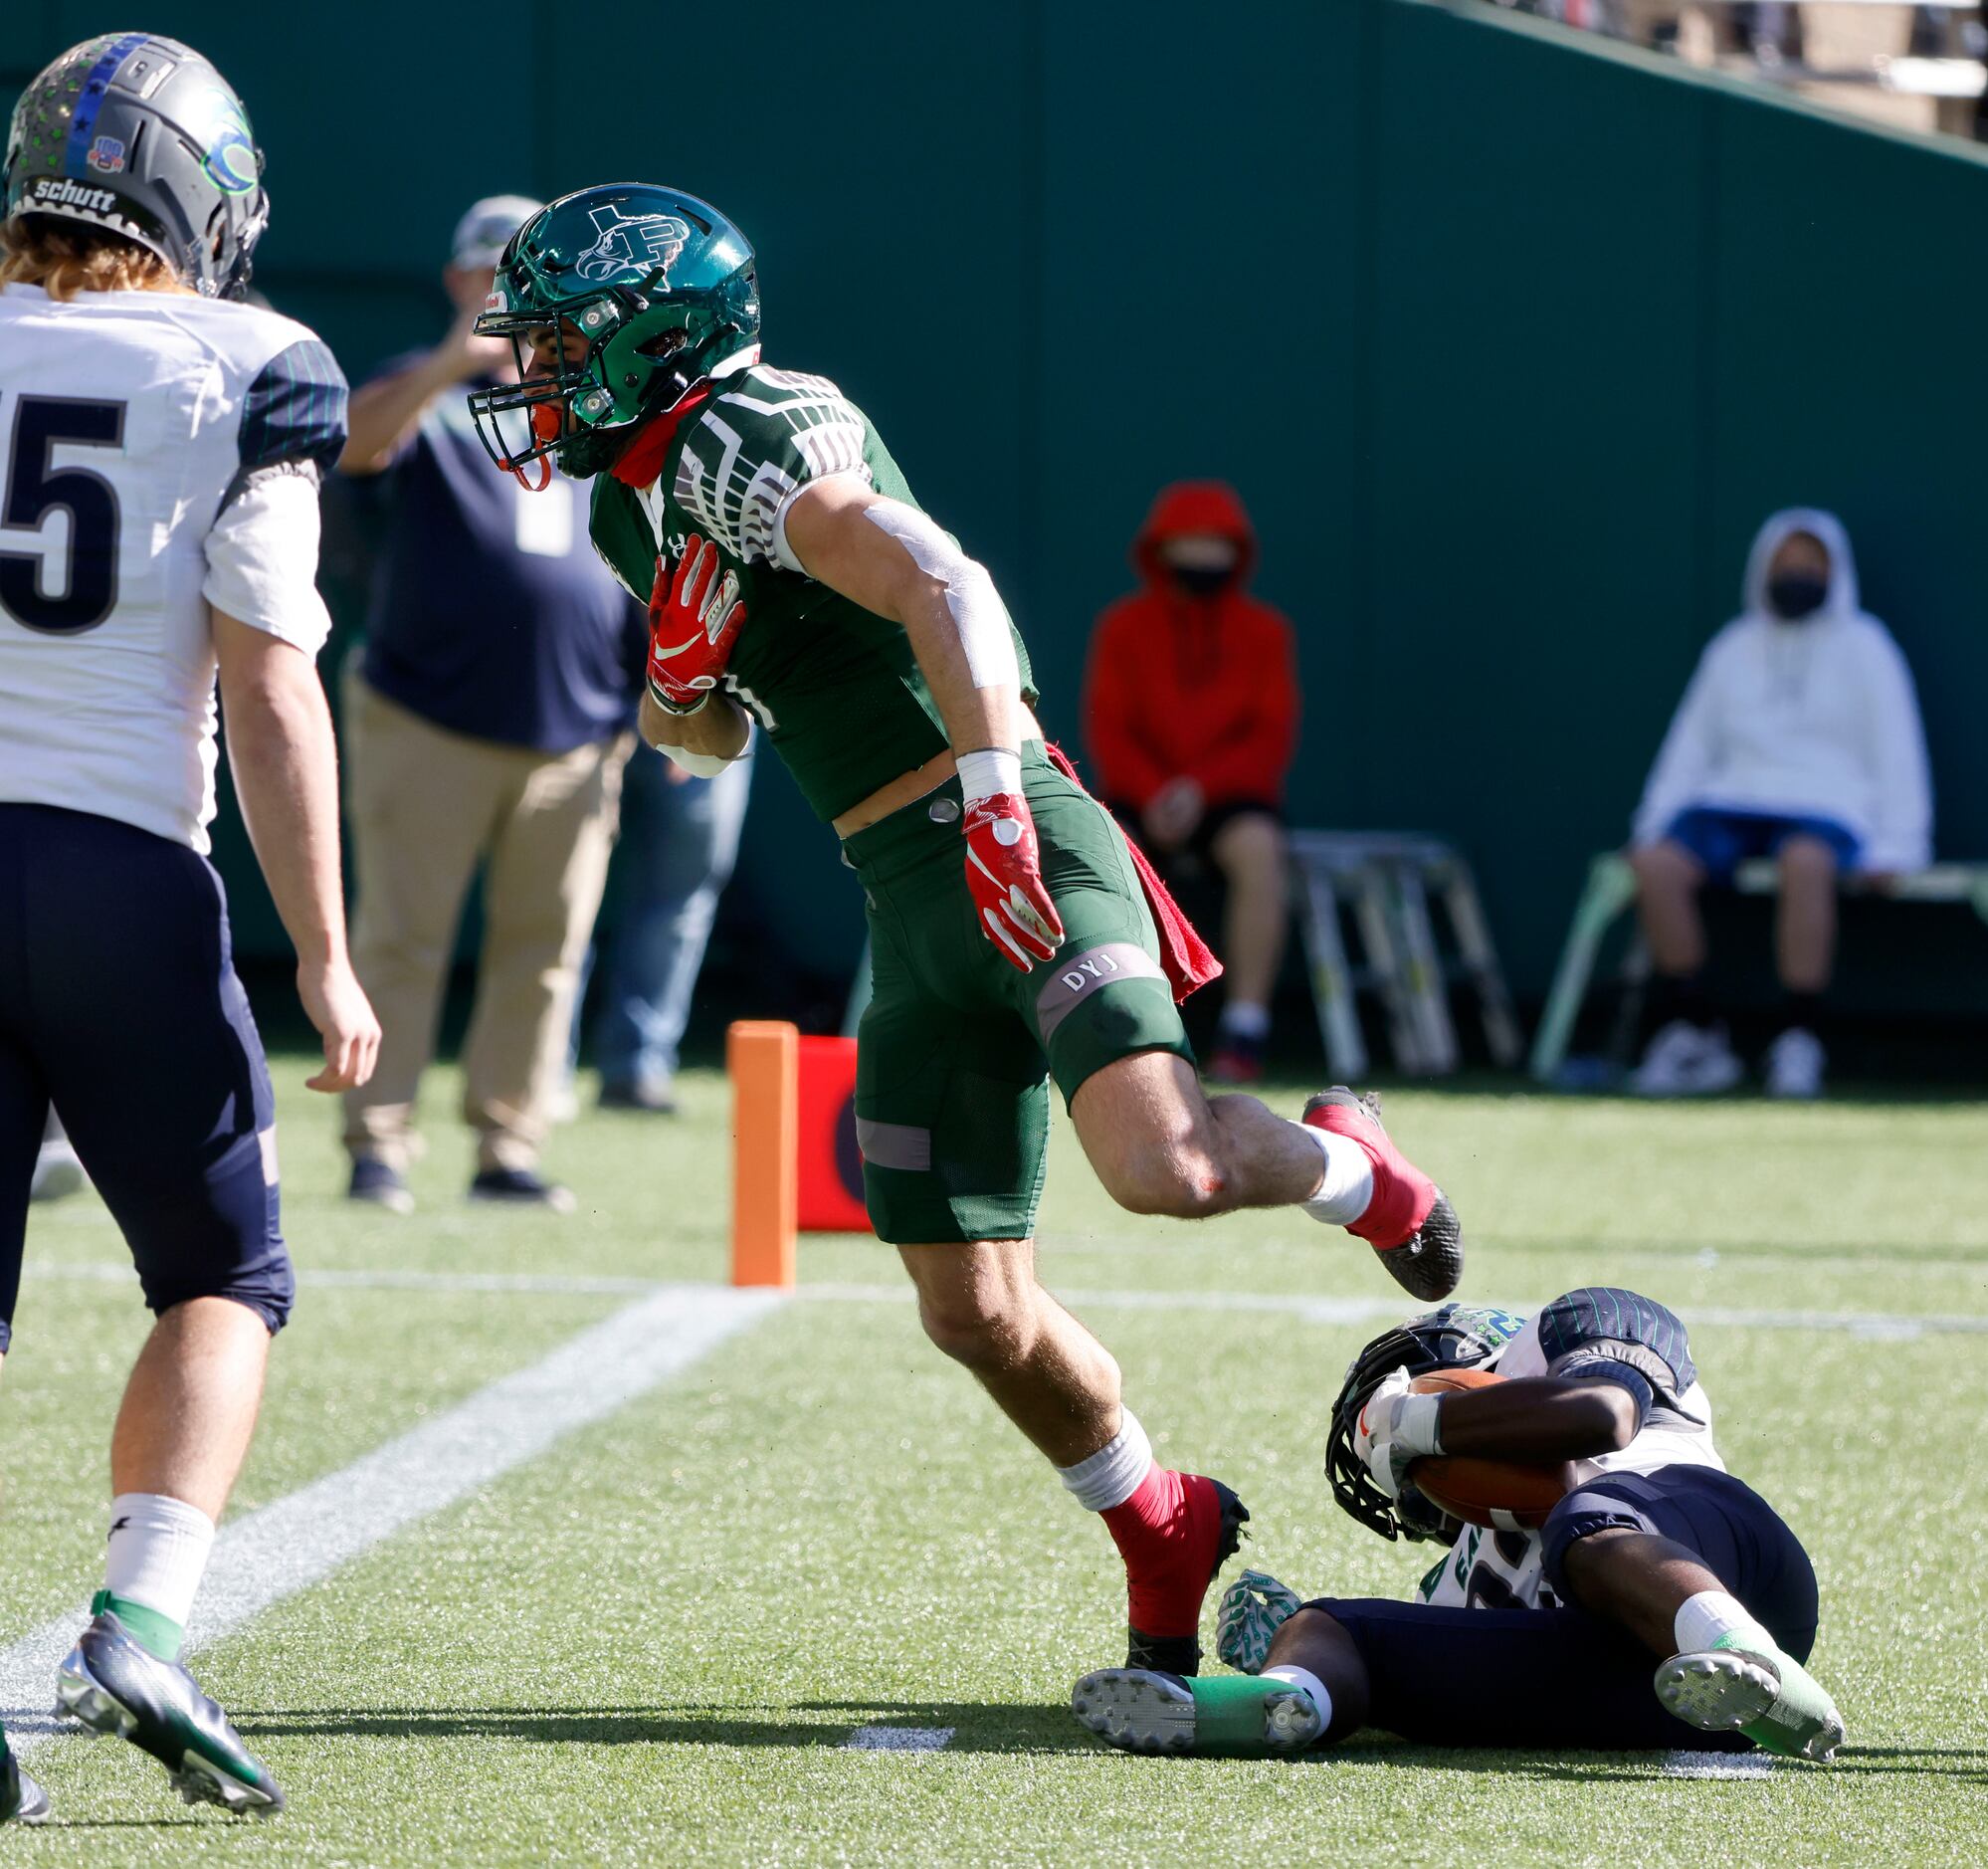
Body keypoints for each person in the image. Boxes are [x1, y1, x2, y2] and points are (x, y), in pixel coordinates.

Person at [472, 183, 1465, 1680]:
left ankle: (1349, 1162)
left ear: (655, 342)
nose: (531, 374)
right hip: (903, 893)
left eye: (557, 343)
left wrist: (1000, 801)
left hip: (1012, 844)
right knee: (971, 1306)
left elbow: (947, 580)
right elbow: (710, 740)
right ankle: (1157, 1515)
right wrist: (679, 684)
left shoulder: (749, 434)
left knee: (1168, 1167)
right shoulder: (628, 496)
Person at [0, 32, 381, 1819]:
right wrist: (324, 943)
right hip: (117, 875)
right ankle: (140, 1614)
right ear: (199, 199)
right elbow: (271, 673)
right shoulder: (252, 362)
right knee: (226, 1275)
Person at [1072, 1290, 1844, 1763]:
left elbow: (1603, 1418)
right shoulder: (1458, 1575)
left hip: (1733, 1577)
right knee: (1336, 1625)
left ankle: (1749, 1660)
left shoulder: (1571, 1331)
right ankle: (1258, 1706)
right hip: (1638, 1694)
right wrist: (1286, 1647)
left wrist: (1425, 1419)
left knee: (1582, 1518)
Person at [336, 194, 648, 1212]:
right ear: (460, 284)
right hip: (429, 719)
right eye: (495, 278)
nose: (516, 301)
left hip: (575, 730)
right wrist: (448, 364)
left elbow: (643, 553)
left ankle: (507, 1145)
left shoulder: (598, 407)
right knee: (403, 937)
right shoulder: (423, 397)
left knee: (546, 950)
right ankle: (378, 1142)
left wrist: (654, 703)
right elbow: (354, 447)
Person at [1627, 509, 1931, 1100]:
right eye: (1785, 564)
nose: (1796, 574)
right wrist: (1650, 828)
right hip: (1730, 802)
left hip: (1828, 807)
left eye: (1810, 564)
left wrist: (1902, 845)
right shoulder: (1732, 647)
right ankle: (1695, 1030)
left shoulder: (1867, 647)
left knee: (1805, 860)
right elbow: (1687, 750)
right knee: (1656, 864)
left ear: (1834, 571)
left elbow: (1898, 751)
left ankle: (1798, 1035)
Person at [1085, 483, 1299, 1084]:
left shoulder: (1266, 632)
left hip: (1226, 798)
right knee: (1103, 849)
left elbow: (1268, 735)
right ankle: (1110, 1016)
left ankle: (1246, 1028)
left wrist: (1199, 788)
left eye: (1218, 546)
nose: (1204, 559)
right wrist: (1153, 792)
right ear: (1161, 550)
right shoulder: (1122, 628)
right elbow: (1110, 728)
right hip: (1140, 796)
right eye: (1191, 544)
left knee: (1259, 851)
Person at [583, 728, 753, 1113]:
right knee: (563, 895)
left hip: (711, 700)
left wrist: (699, 713)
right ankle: (543, 1069)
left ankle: (637, 1070)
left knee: (680, 905)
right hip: (595, 699)